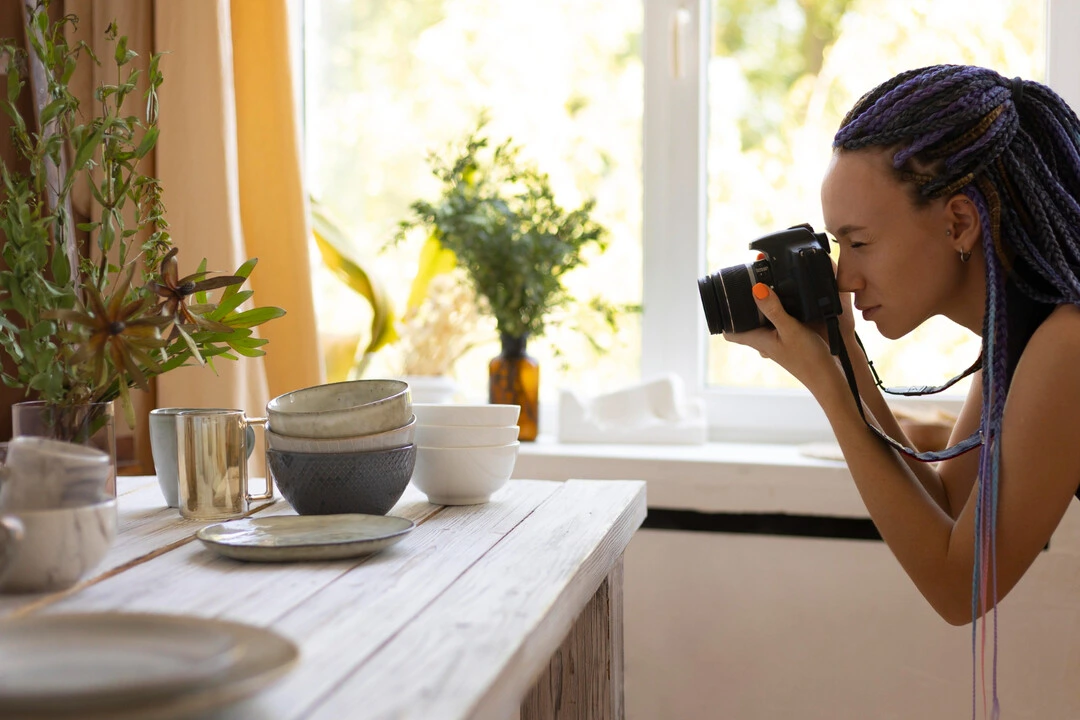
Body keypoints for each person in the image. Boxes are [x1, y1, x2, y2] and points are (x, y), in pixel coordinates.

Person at [725, 64, 1080, 714]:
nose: (844, 276)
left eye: (858, 242)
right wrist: (842, 356)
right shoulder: (1022, 337)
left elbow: (961, 585)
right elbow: (950, 503)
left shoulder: (1069, 342)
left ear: (959, 223)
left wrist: (829, 388)